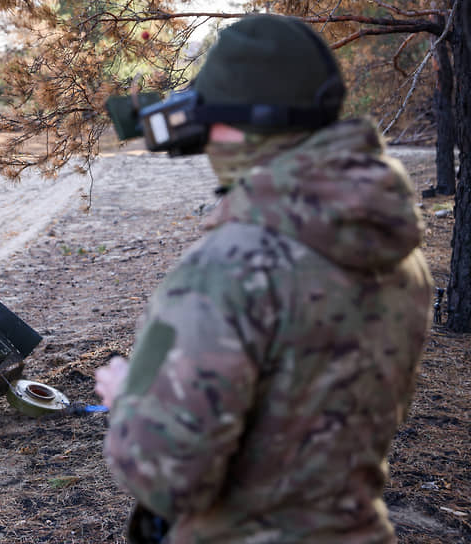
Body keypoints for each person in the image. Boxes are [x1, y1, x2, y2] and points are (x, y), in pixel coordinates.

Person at [95, 14, 433, 544]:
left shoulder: (231, 267)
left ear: (236, 124)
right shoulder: (395, 250)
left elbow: (166, 480)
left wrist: (129, 402)